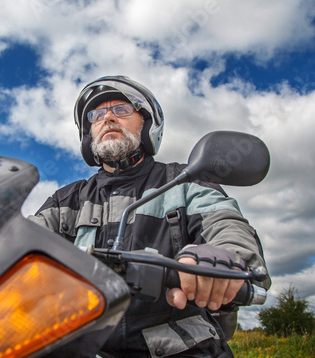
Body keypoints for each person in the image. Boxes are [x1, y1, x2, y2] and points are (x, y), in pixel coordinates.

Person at [28, 75, 271, 357]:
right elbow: (19, 242)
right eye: (96, 115)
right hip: (84, 347)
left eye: (121, 110)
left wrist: (224, 257)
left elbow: (227, 226)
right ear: (88, 134)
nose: (107, 118)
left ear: (147, 124)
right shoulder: (65, 200)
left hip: (184, 349)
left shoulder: (185, 182)